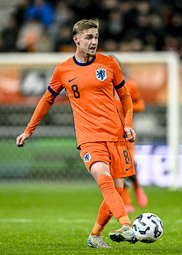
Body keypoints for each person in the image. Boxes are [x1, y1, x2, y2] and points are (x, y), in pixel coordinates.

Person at [16, 19, 138, 248]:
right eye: (89, 37)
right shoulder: (63, 69)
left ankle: (95, 236)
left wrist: (128, 124)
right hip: (89, 137)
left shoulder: (109, 63)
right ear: (77, 39)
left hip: (116, 135)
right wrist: (28, 130)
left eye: (96, 37)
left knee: (117, 191)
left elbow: (125, 96)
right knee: (105, 181)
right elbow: (46, 100)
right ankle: (127, 225)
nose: (94, 42)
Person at [114, 77, 148, 213]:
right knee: (117, 167)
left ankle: (137, 186)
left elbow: (141, 105)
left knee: (128, 164)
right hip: (108, 132)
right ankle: (127, 201)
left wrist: (126, 107)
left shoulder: (129, 86)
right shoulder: (99, 87)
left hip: (126, 132)